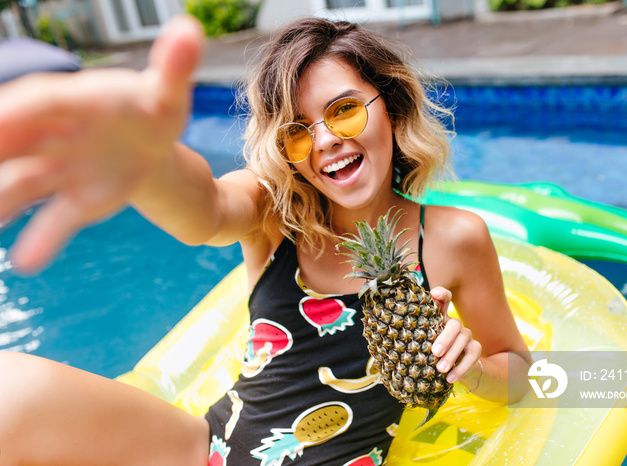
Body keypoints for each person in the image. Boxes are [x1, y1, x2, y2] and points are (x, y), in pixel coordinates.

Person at [0, 15, 531, 466]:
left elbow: (518, 371)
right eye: (297, 131)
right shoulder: (276, 209)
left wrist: (474, 369)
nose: (325, 141)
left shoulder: (453, 239)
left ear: (389, 107)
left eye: (344, 110)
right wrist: (147, 159)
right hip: (207, 446)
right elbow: (205, 212)